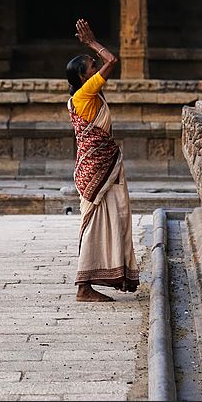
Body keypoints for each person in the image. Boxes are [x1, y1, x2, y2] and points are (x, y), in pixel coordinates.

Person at [66, 18, 140, 302]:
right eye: (93, 68)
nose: (98, 67)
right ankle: (84, 287)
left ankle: (109, 273)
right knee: (97, 221)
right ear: (85, 78)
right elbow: (113, 59)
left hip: (96, 166)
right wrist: (92, 44)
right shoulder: (86, 93)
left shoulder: (81, 96)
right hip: (98, 167)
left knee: (111, 217)